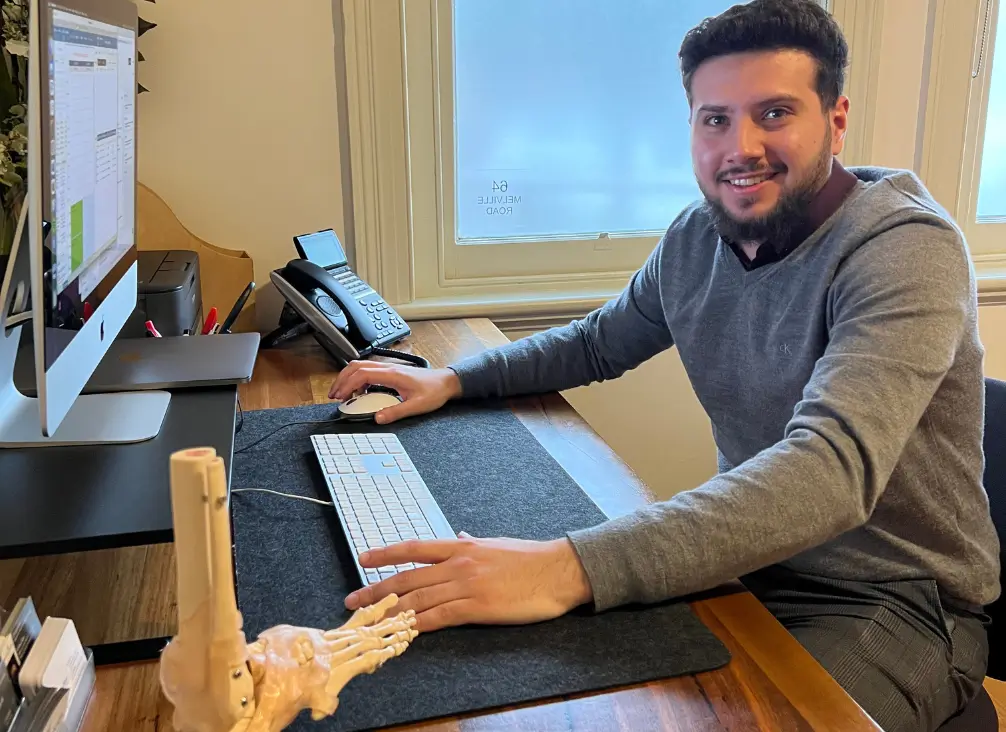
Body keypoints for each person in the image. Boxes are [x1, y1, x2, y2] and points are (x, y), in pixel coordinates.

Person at [327, 1, 1001, 729]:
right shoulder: (698, 237)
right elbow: (597, 342)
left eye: (774, 113)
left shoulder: (905, 249)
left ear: (835, 121)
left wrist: (561, 567)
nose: (741, 146)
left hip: (896, 598)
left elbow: (831, 470)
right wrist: (454, 379)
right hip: (749, 563)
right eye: (716, 119)